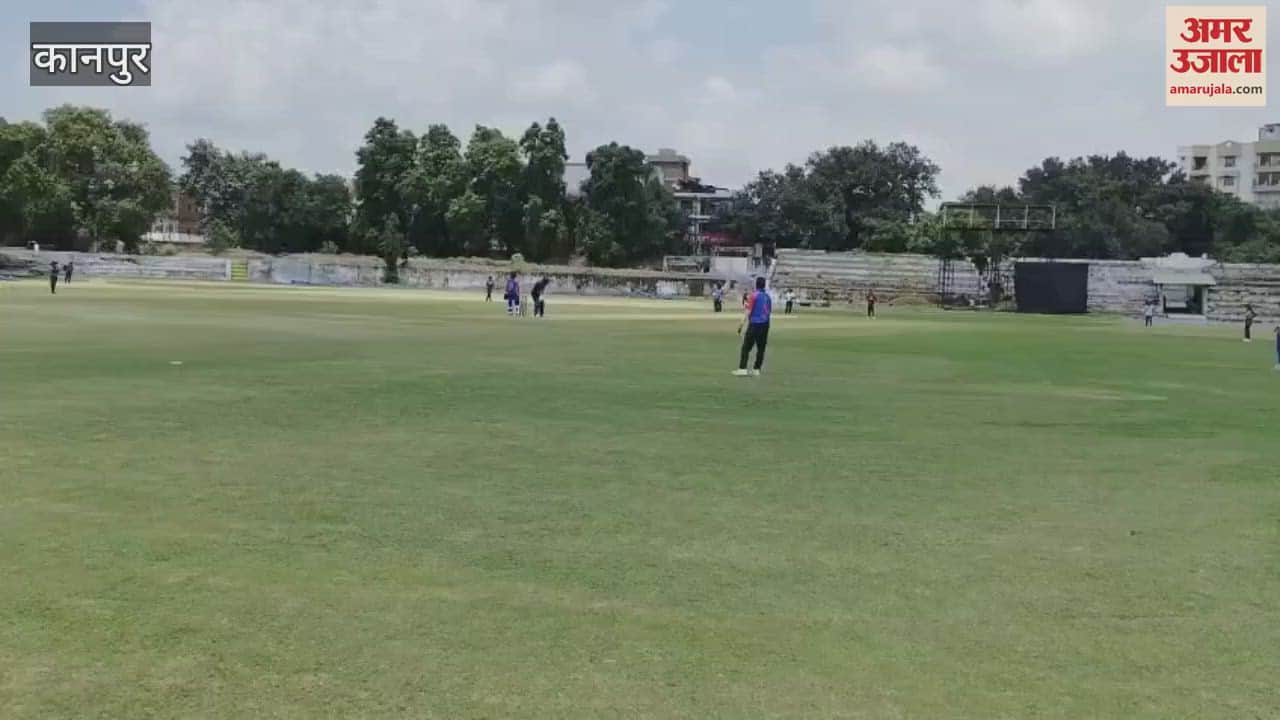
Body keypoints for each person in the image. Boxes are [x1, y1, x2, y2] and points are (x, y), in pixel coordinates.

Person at [733, 277, 772, 377]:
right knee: (761, 348)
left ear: (756, 284)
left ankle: (742, 369)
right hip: (765, 324)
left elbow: (748, 311)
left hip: (754, 324)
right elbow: (768, 312)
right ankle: (756, 369)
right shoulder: (768, 297)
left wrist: (741, 325)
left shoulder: (753, 296)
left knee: (746, 347)